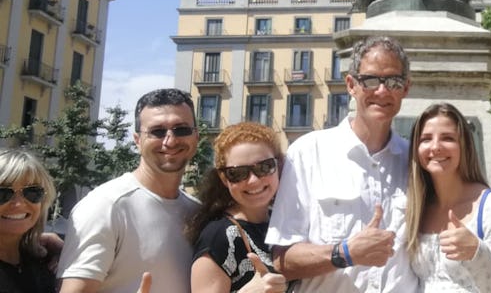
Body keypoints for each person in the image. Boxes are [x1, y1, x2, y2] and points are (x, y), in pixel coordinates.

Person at [267, 36, 416, 293]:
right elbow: (282, 260)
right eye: (370, 80)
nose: (382, 91)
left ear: (405, 88)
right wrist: (345, 253)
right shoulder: (307, 153)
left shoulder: (415, 162)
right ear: (351, 85)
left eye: (393, 81)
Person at [57, 88, 201, 293]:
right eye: (157, 131)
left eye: (181, 129)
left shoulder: (198, 212)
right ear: (137, 140)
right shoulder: (106, 206)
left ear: (196, 136)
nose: (170, 140)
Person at [404, 103, 491, 291]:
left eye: (447, 138)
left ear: (463, 145)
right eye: (425, 139)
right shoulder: (418, 210)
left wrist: (477, 252)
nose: (436, 147)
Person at [186, 122, 288, 293]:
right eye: (238, 173)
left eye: (265, 167)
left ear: (278, 166)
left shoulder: (282, 222)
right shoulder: (218, 236)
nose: (254, 180)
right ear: (224, 179)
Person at [0, 149, 57, 293]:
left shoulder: (45, 261)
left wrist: (69, 253)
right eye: (2, 193)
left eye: (32, 192)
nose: (19, 203)